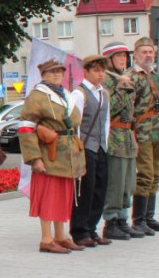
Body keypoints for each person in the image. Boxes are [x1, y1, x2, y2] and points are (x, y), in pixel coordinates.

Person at [18, 58, 86, 253]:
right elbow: (26, 127)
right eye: (52, 71)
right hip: (49, 153)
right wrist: (35, 158)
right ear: (43, 74)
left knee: (64, 195)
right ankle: (46, 239)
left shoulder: (65, 94)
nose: (57, 74)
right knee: (49, 196)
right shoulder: (37, 96)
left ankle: (61, 235)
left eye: (59, 71)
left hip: (68, 153)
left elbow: (75, 121)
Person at [100, 42, 142, 240]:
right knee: (115, 182)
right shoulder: (108, 80)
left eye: (125, 56)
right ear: (109, 59)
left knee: (127, 182)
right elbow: (111, 108)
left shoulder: (123, 77)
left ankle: (123, 220)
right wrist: (123, 87)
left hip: (127, 136)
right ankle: (111, 222)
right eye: (118, 56)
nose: (123, 59)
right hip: (114, 136)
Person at [69, 55, 111, 247]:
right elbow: (74, 123)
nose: (100, 74)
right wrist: (77, 148)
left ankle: (92, 228)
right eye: (96, 70)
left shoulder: (104, 93)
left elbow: (106, 121)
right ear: (86, 71)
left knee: (99, 189)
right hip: (85, 146)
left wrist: (106, 143)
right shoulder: (79, 93)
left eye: (102, 70)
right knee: (85, 190)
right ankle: (79, 231)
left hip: (101, 146)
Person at [132, 37, 159, 234]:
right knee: (145, 175)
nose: (148, 55)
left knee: (156, 175)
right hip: (142, 133)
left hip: (157, 131)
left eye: (151, 52)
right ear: (136, 55)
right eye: (144, 52)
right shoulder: (132, 77)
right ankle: (139, 219)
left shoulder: (155, 76)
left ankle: (149, 217)